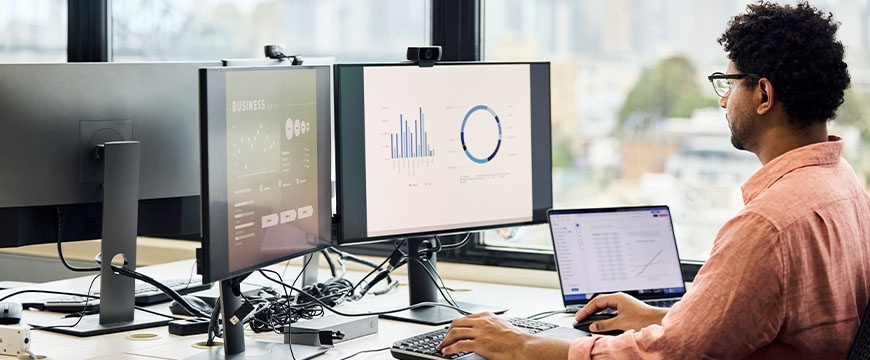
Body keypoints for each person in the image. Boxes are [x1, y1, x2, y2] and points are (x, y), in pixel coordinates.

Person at [437, 1, 870, 359]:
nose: (723, 101)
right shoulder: (846, 187)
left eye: (729, 83)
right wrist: (655, 317)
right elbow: (760, 324)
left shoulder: (766, 227)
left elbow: (666, 355)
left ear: (763, 95)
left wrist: (520, 345)